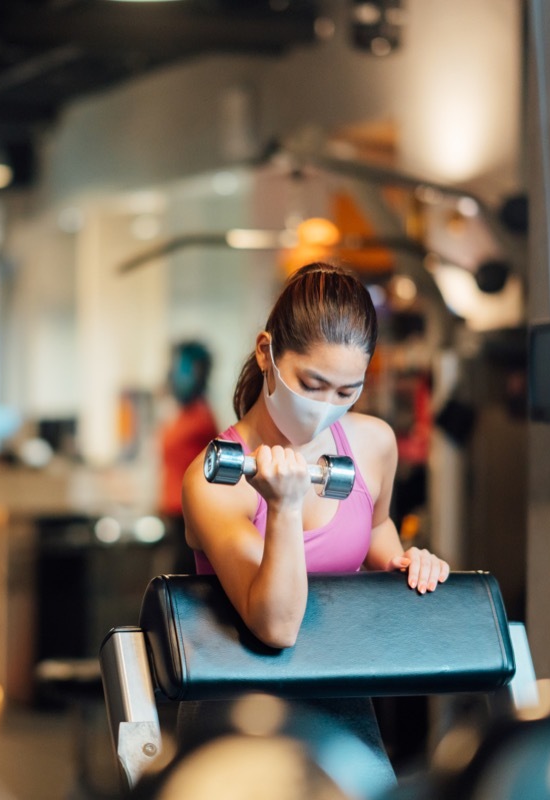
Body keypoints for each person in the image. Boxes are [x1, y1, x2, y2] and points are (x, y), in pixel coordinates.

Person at [179, 261, 450, 790]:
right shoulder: (215, 477)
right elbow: (275, 627)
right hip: (240, 721)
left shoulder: (372, 445)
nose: (327, 408)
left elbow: (373, 530)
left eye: (347, 391)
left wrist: (405, 561)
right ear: (267, 354)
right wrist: (282, 507)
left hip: (342, 708)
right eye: (313, 384)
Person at [157, 340, 219, 574]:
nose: (170, 374)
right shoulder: (184, 414)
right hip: (174, 516)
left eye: (177, 367)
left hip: (187, 518)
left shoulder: (201, 418)